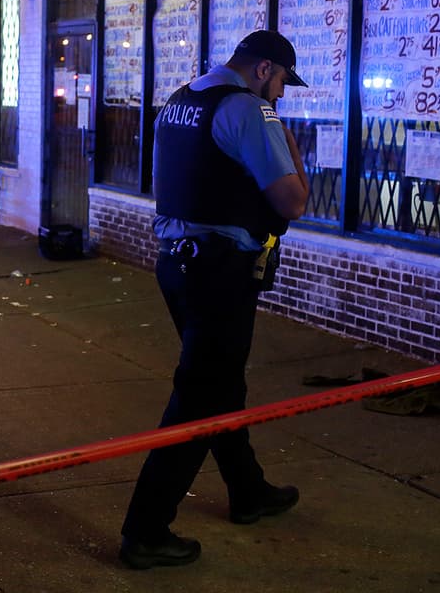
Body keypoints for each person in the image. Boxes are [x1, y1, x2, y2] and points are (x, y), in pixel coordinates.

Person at [119, 30, 310, 570]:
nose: (280, 95)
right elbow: (292, 200)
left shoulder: (181, 100)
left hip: (176, 264)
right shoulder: (250, 111)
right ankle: (146, 530)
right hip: (220, 270)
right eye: (280, 83)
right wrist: (288, 142)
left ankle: (248, 491)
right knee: (200, 396)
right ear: (263, 69)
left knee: (221, 384)